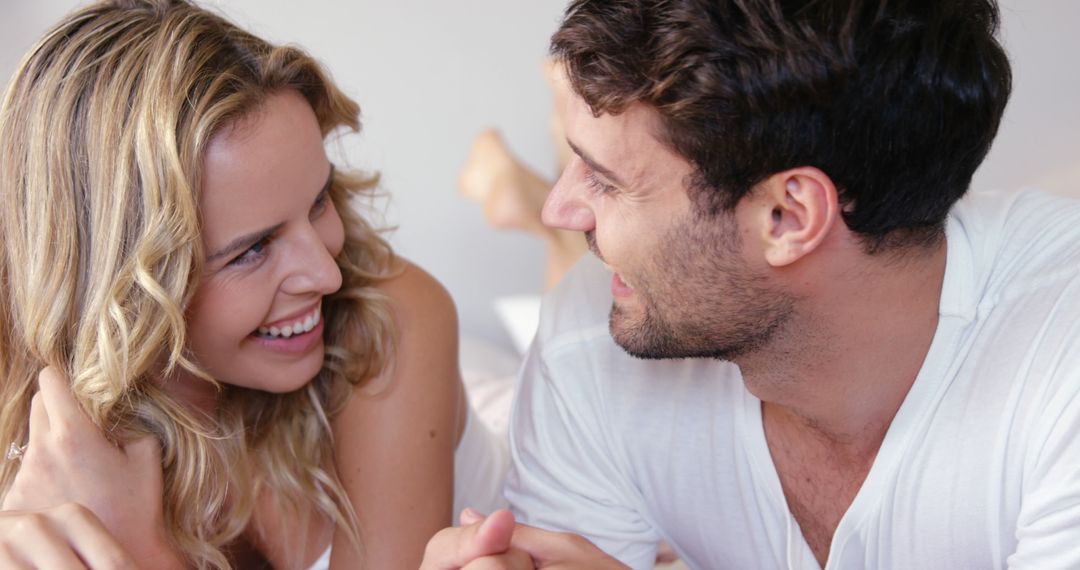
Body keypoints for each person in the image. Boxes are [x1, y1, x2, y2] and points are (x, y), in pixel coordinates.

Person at [422, 0, 1080, 568]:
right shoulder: (592, 336)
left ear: (788, 216)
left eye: (604, 179)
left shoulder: (1059, 360)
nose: (558, 212)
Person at [0, 1, 506, 568]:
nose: (327, 274)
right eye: (254, 249)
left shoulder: (390, 317)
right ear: (124, 286)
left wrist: (140, 549)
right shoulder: (41, 457)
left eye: (318, 202)